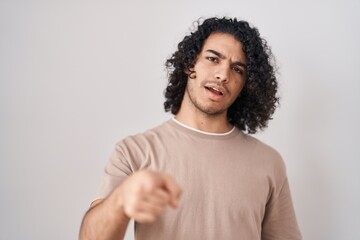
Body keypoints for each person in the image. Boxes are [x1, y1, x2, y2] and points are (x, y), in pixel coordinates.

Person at [79, 17, 302, 240]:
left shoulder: (268, 162)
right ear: (189, 64)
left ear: (246, 84)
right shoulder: (134, 151)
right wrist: (121, 199)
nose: (223, 75)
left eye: (237, 69)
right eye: (213, 59)